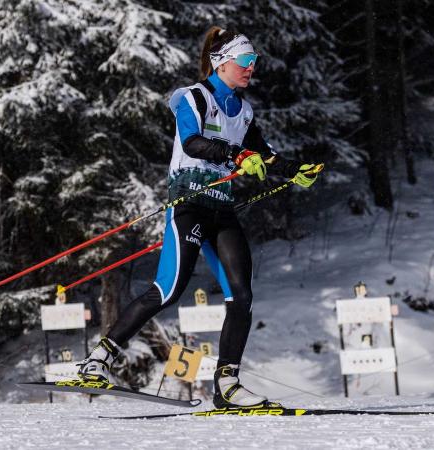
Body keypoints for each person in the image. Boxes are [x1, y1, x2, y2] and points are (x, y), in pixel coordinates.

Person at [77, 27, 319, 409]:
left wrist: (294, 169)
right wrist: (235, 156)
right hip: (188, 204)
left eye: (254, 62)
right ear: (223, 63)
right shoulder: (193, 97)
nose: (251, 68)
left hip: (221, 209)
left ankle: (228, 385)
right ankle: (98, 359)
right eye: (245, 61)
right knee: (169, 289)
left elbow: (265, 153)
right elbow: (192, 141)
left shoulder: (244, 110)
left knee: (241, 295)